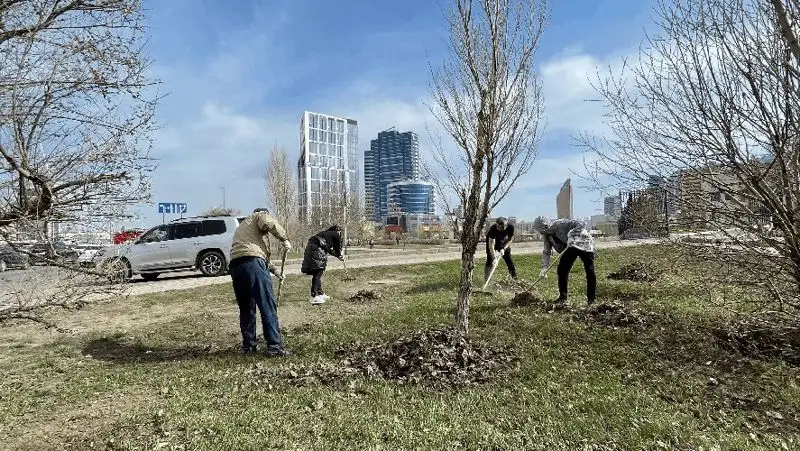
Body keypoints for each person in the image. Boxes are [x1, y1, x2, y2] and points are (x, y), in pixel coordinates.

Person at [229, 208, 292, 357]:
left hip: (236, 266)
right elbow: (268, 223)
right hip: (253, 264)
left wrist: (276, 272)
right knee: (267, 305)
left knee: (246, 308)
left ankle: (249, 346)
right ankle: (274, 347)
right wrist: (284, 238)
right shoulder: (259, 215)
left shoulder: (245, 229)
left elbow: (258, 255)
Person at [533, 217, 596, 305]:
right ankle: (563, 297)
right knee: (562, 270)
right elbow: (546, 252)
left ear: (545, 226)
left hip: (584, 243)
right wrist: (544, 268)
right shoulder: (547, 235)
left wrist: (571, 235)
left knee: (589, 270)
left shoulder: (560, 223)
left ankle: (591, 299)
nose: (539, 232)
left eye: (539, 229)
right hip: (570, 247)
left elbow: (581, 223)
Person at [301, 225, 344, 305]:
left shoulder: (325, 234)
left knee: (318, 272)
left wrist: (338, 256)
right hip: (317, 251)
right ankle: (314, 296)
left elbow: (328, 249)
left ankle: (320, 293)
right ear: (338, 231)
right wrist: (340, 255)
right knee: (318, 272)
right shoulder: (336, 234)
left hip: (311, 248)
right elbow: (337, 248)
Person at [485, 217, 517, 281]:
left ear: (506, 225)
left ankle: (514, 279)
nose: (499, 229)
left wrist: (504, 248)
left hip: (503, 242)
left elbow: (510, 240)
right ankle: (486, 279)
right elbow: (491, 244)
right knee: (489, 260)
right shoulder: (493, 228)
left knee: (509, 260)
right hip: (492, 242)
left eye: (502, 227)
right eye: (498, 227)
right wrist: (494, 258)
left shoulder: (511, 227)